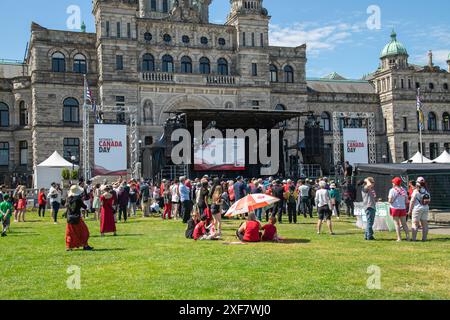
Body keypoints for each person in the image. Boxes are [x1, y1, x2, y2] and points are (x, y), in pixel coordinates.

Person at [65, 185, 93, 251]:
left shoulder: (68, 199)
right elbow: (84, 207)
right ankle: (85, 245)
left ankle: (69, 246)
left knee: (71, 233)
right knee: (84, 232)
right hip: (77, 218)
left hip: (69, 218)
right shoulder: (78, 199)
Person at [409, 177, 431, 242]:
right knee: (425, 224)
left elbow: (412, 201)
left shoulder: (415, 191)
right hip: (425, 208)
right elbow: (429, 200)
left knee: (415, 224)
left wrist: (410, 210)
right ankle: (424, 239)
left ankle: (414, 239)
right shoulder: (427, 191)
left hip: (417, 208)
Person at [388, 177, 410, 242]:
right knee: (404, 223)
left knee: (396, 223)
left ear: (394, 183)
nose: (392, 183)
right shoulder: (404, 190)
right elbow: (406, 201)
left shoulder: (392, 190)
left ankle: (399, 238)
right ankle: (408, 238)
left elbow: (390, 200)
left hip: (395, 208)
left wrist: (390, 201)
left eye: (393, 182)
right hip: (402, 208)